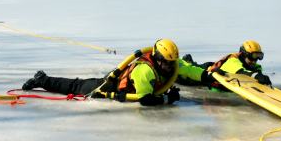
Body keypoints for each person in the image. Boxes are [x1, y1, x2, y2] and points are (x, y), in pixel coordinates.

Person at [22, 39, 224, 106]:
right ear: (158, 59)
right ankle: (43, 79)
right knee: (78, 87)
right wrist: (168, 99)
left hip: (133, 83)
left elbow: (190, 70)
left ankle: (44, 79)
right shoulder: (145, 71)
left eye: (173, 64)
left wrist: (209, 76)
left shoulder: (170, 63)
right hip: (112, 85)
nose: (172, 68)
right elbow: (145, 100)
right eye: (168, 64)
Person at [180, 41, 272, 90]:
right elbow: (241, 73)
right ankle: (188, 61)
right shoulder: (233, 60)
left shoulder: (256, 67)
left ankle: (190, 61)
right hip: (206, 74)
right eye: (252, 58)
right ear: (243, 55)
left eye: (258, 57)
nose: (254, 61)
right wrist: (256, 76)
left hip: (216, 68)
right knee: (182, 78)